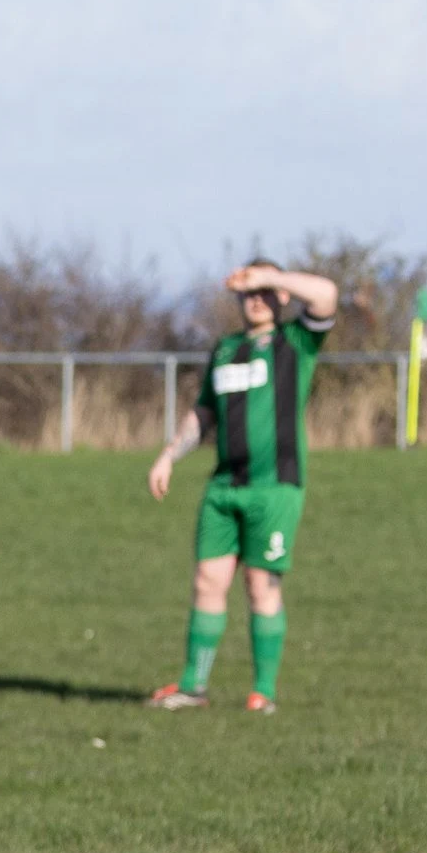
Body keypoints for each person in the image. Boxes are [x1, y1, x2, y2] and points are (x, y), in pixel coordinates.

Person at [146, 259, 340, 713]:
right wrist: (168, 455)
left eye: (264, 291)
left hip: (274, 490)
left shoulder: (296, 341)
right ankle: (192, 686)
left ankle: (263, 693)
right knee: (207, 581)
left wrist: (267, 277)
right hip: (223, 488)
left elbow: (327, 294)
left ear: (281, 294)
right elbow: (204, 413)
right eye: (247, 292)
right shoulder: (226, 348)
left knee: (260, 586)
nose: (255, 299)